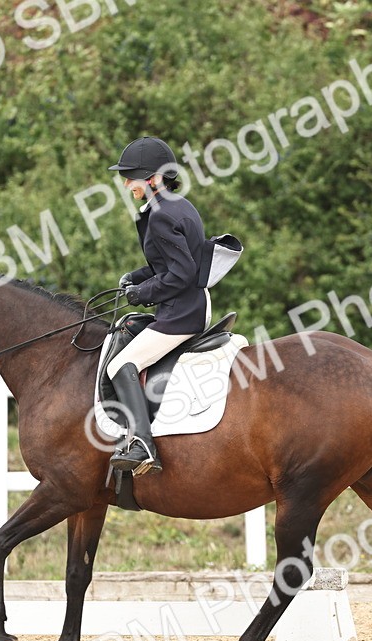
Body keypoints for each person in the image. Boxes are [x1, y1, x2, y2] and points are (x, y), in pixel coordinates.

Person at [106, 136, 211, 476]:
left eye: (130, 177)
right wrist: (135, 277)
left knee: (120, 364)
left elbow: (182, 274)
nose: (125, 184)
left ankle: (142, 443)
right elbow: (170, 263)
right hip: (188, 304)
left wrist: (141, 293)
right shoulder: (178, 205)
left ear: (151, 178)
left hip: (181, 313)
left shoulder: (163, 215)